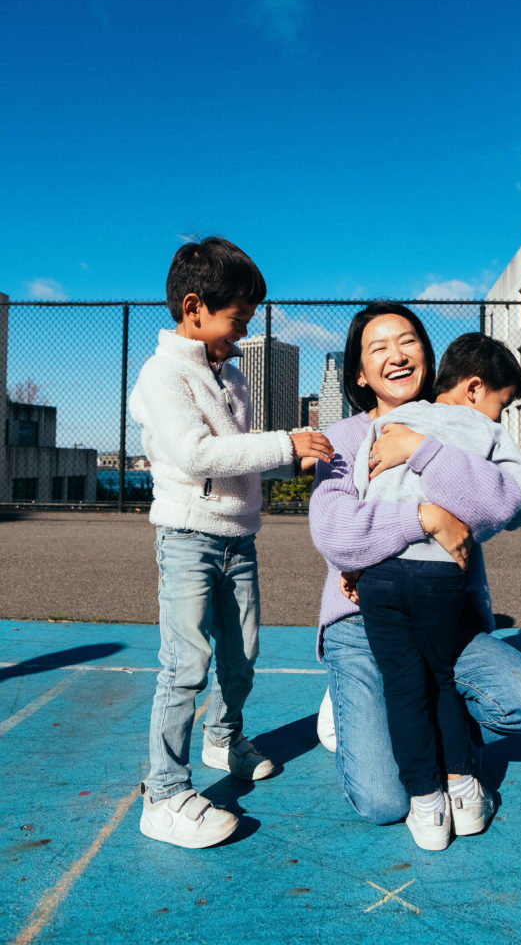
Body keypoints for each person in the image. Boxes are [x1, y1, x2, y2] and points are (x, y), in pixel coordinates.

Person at [309, 302, 521, 839]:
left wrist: (424, 450)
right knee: (383, 802)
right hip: (360, 620)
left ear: (427, 353)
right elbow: (334, 532)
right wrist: (427, 517)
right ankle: (352, 696)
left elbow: (506, 505)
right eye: (379, 348)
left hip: (444, 613)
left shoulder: (460, 426)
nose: (397, 356)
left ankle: (444, 750)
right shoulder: (347, 436)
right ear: (359, 373)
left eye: (408, 342)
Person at [129, 236, 333, 848]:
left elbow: (239, 461)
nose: (243, 332)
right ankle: (164, 794)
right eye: (237, 319)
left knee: (241, 657)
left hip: (238, 539)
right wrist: (284, 443)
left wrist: (293, 459)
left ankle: (223, 737)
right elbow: (197, 455)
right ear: (194, 308)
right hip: (187, 537)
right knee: (185, 665)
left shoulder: (234, 378)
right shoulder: (162, 375)